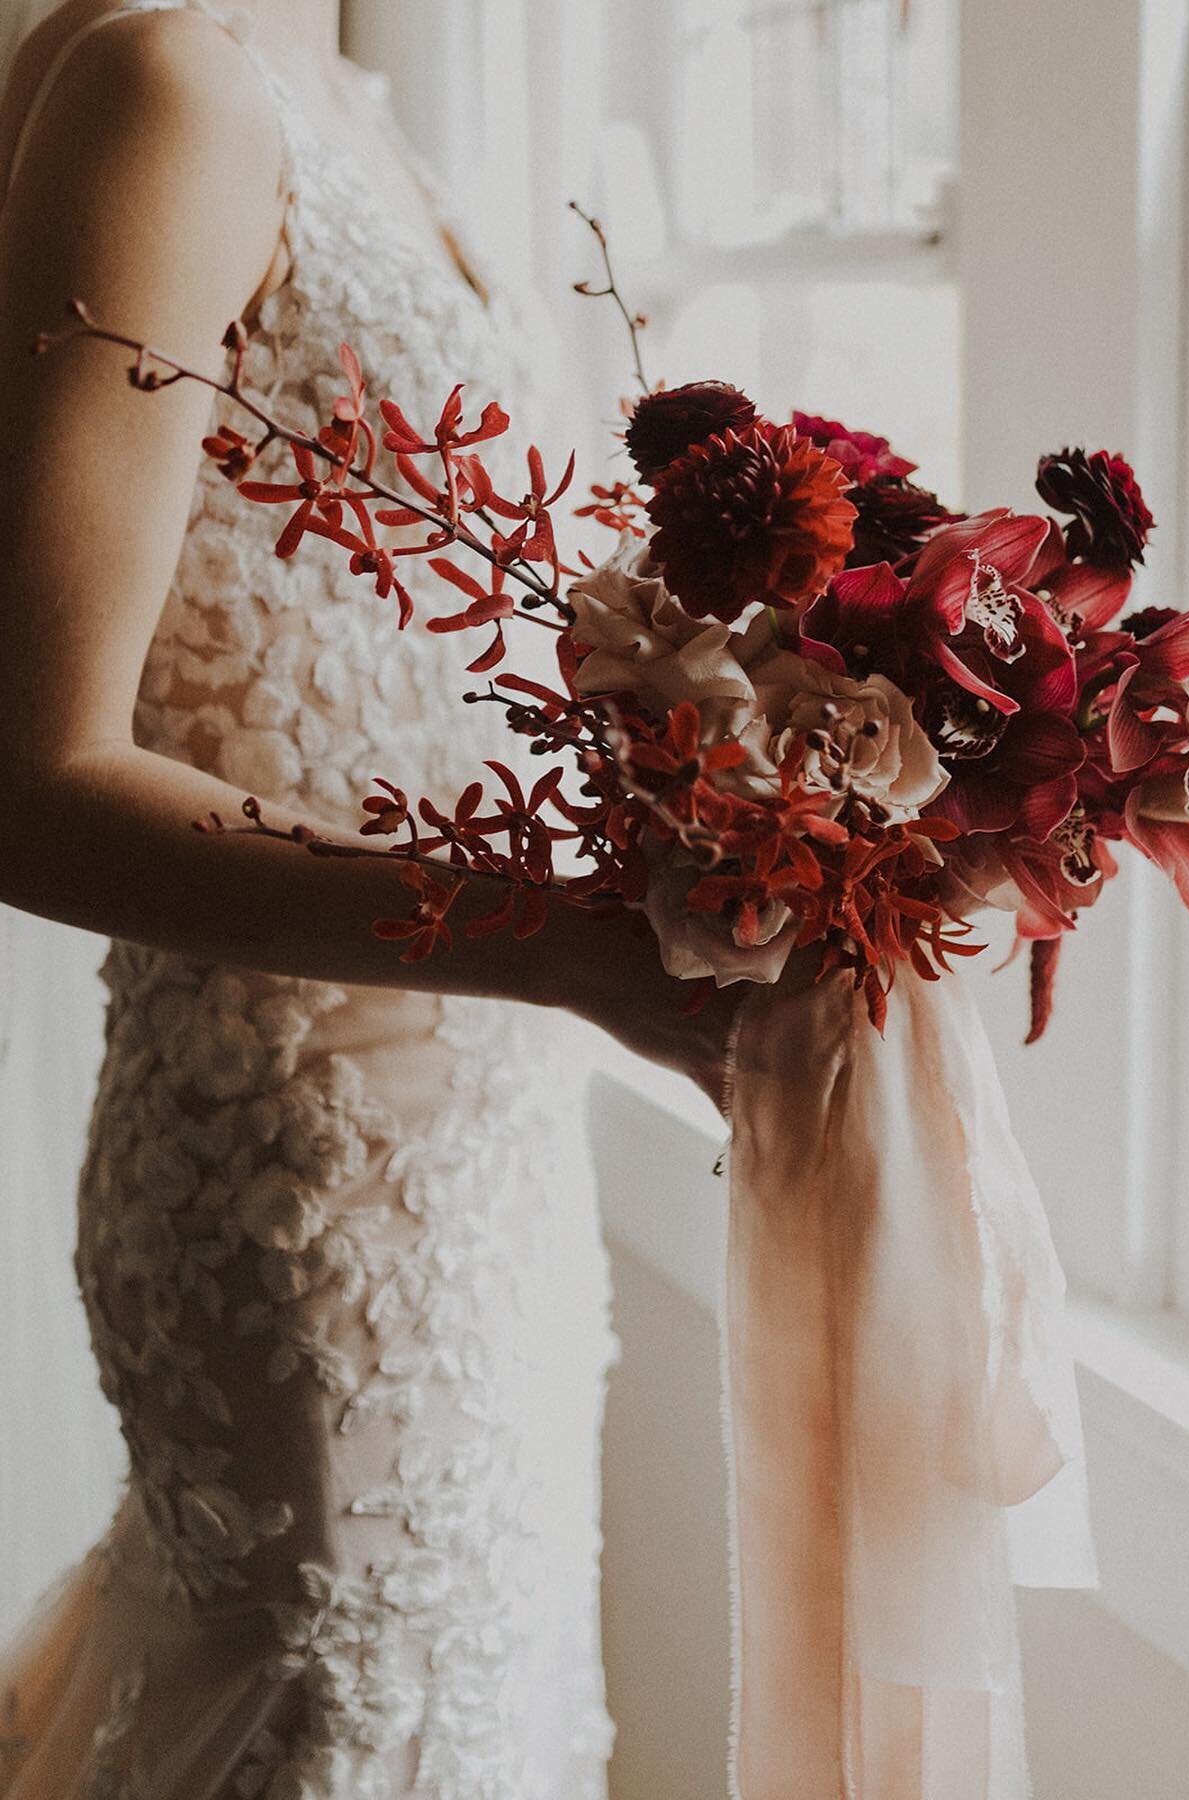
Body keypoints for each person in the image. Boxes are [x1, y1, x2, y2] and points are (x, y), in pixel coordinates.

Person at [0, 2, 736, 1792]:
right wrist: (568, 947)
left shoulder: (354, 96)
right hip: (302, 1182)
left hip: (496, 1165)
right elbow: (31, 784)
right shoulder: (160, 81)